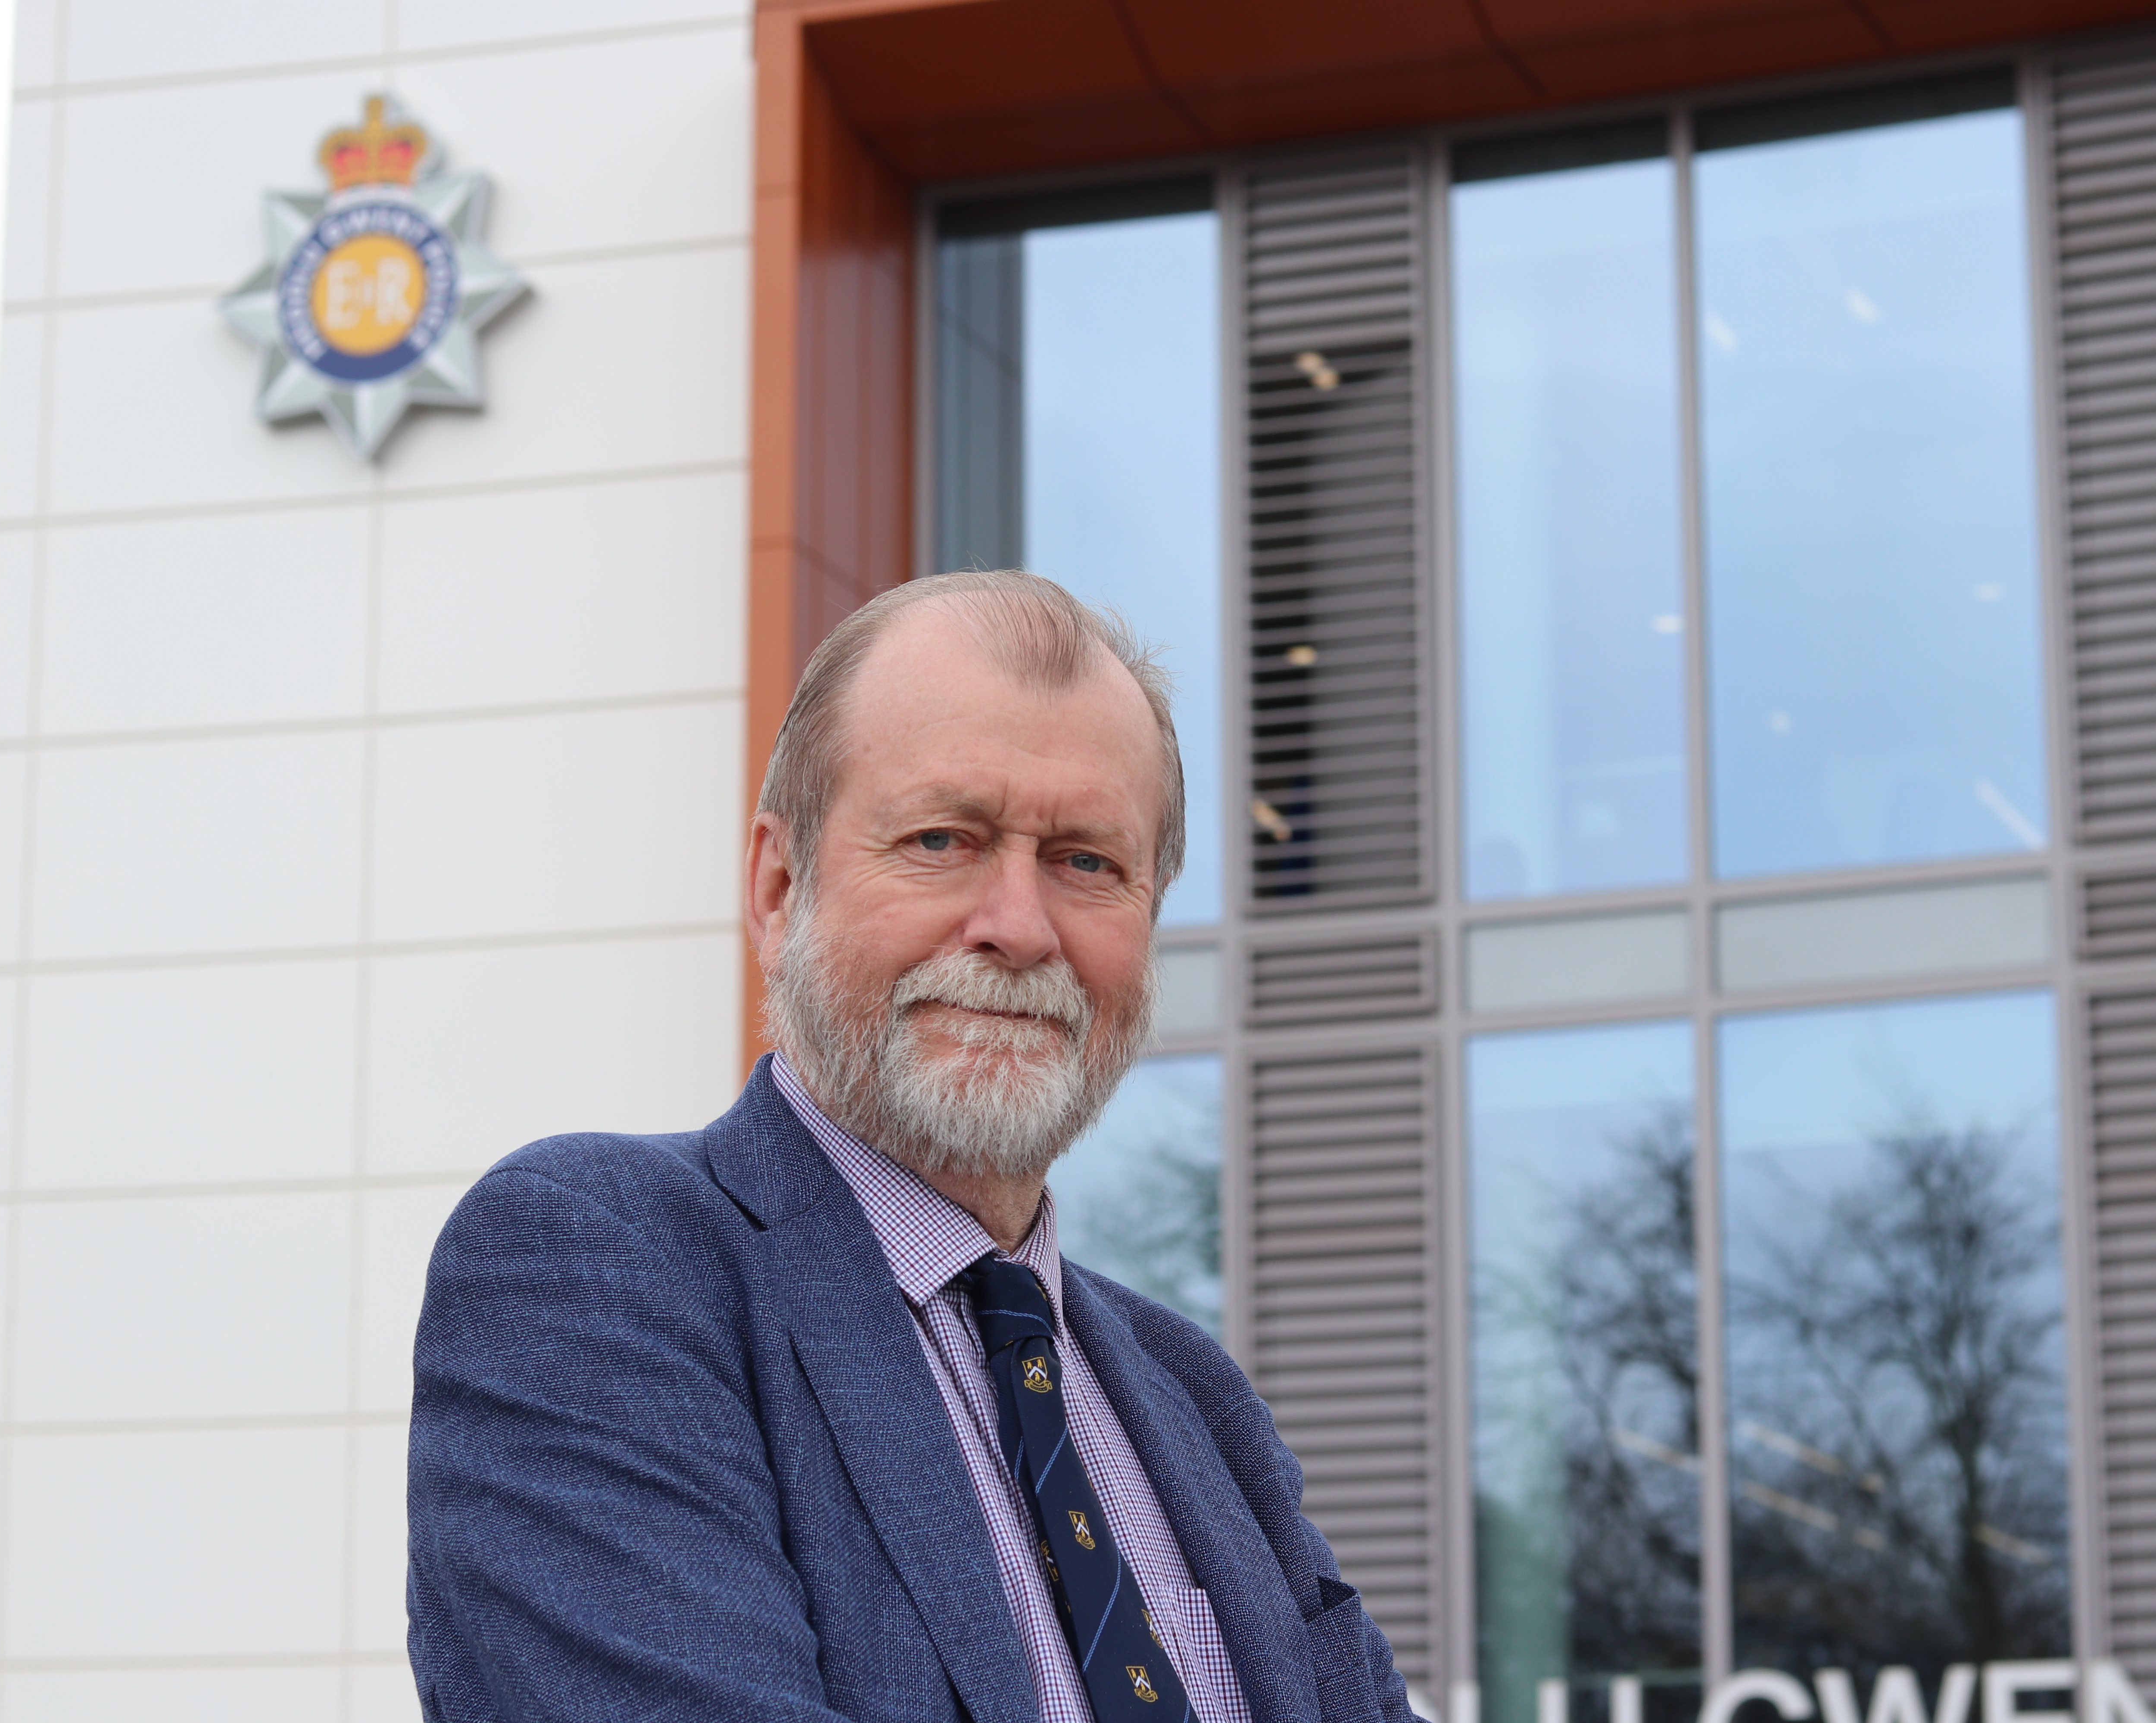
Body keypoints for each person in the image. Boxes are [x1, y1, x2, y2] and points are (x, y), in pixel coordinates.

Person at [405, 569, 1414, 1723]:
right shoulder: (597, 1265)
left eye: (1087, 862)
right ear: (778, 887)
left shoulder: (1194, 1398)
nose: (1019, 929)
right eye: (943, 839)